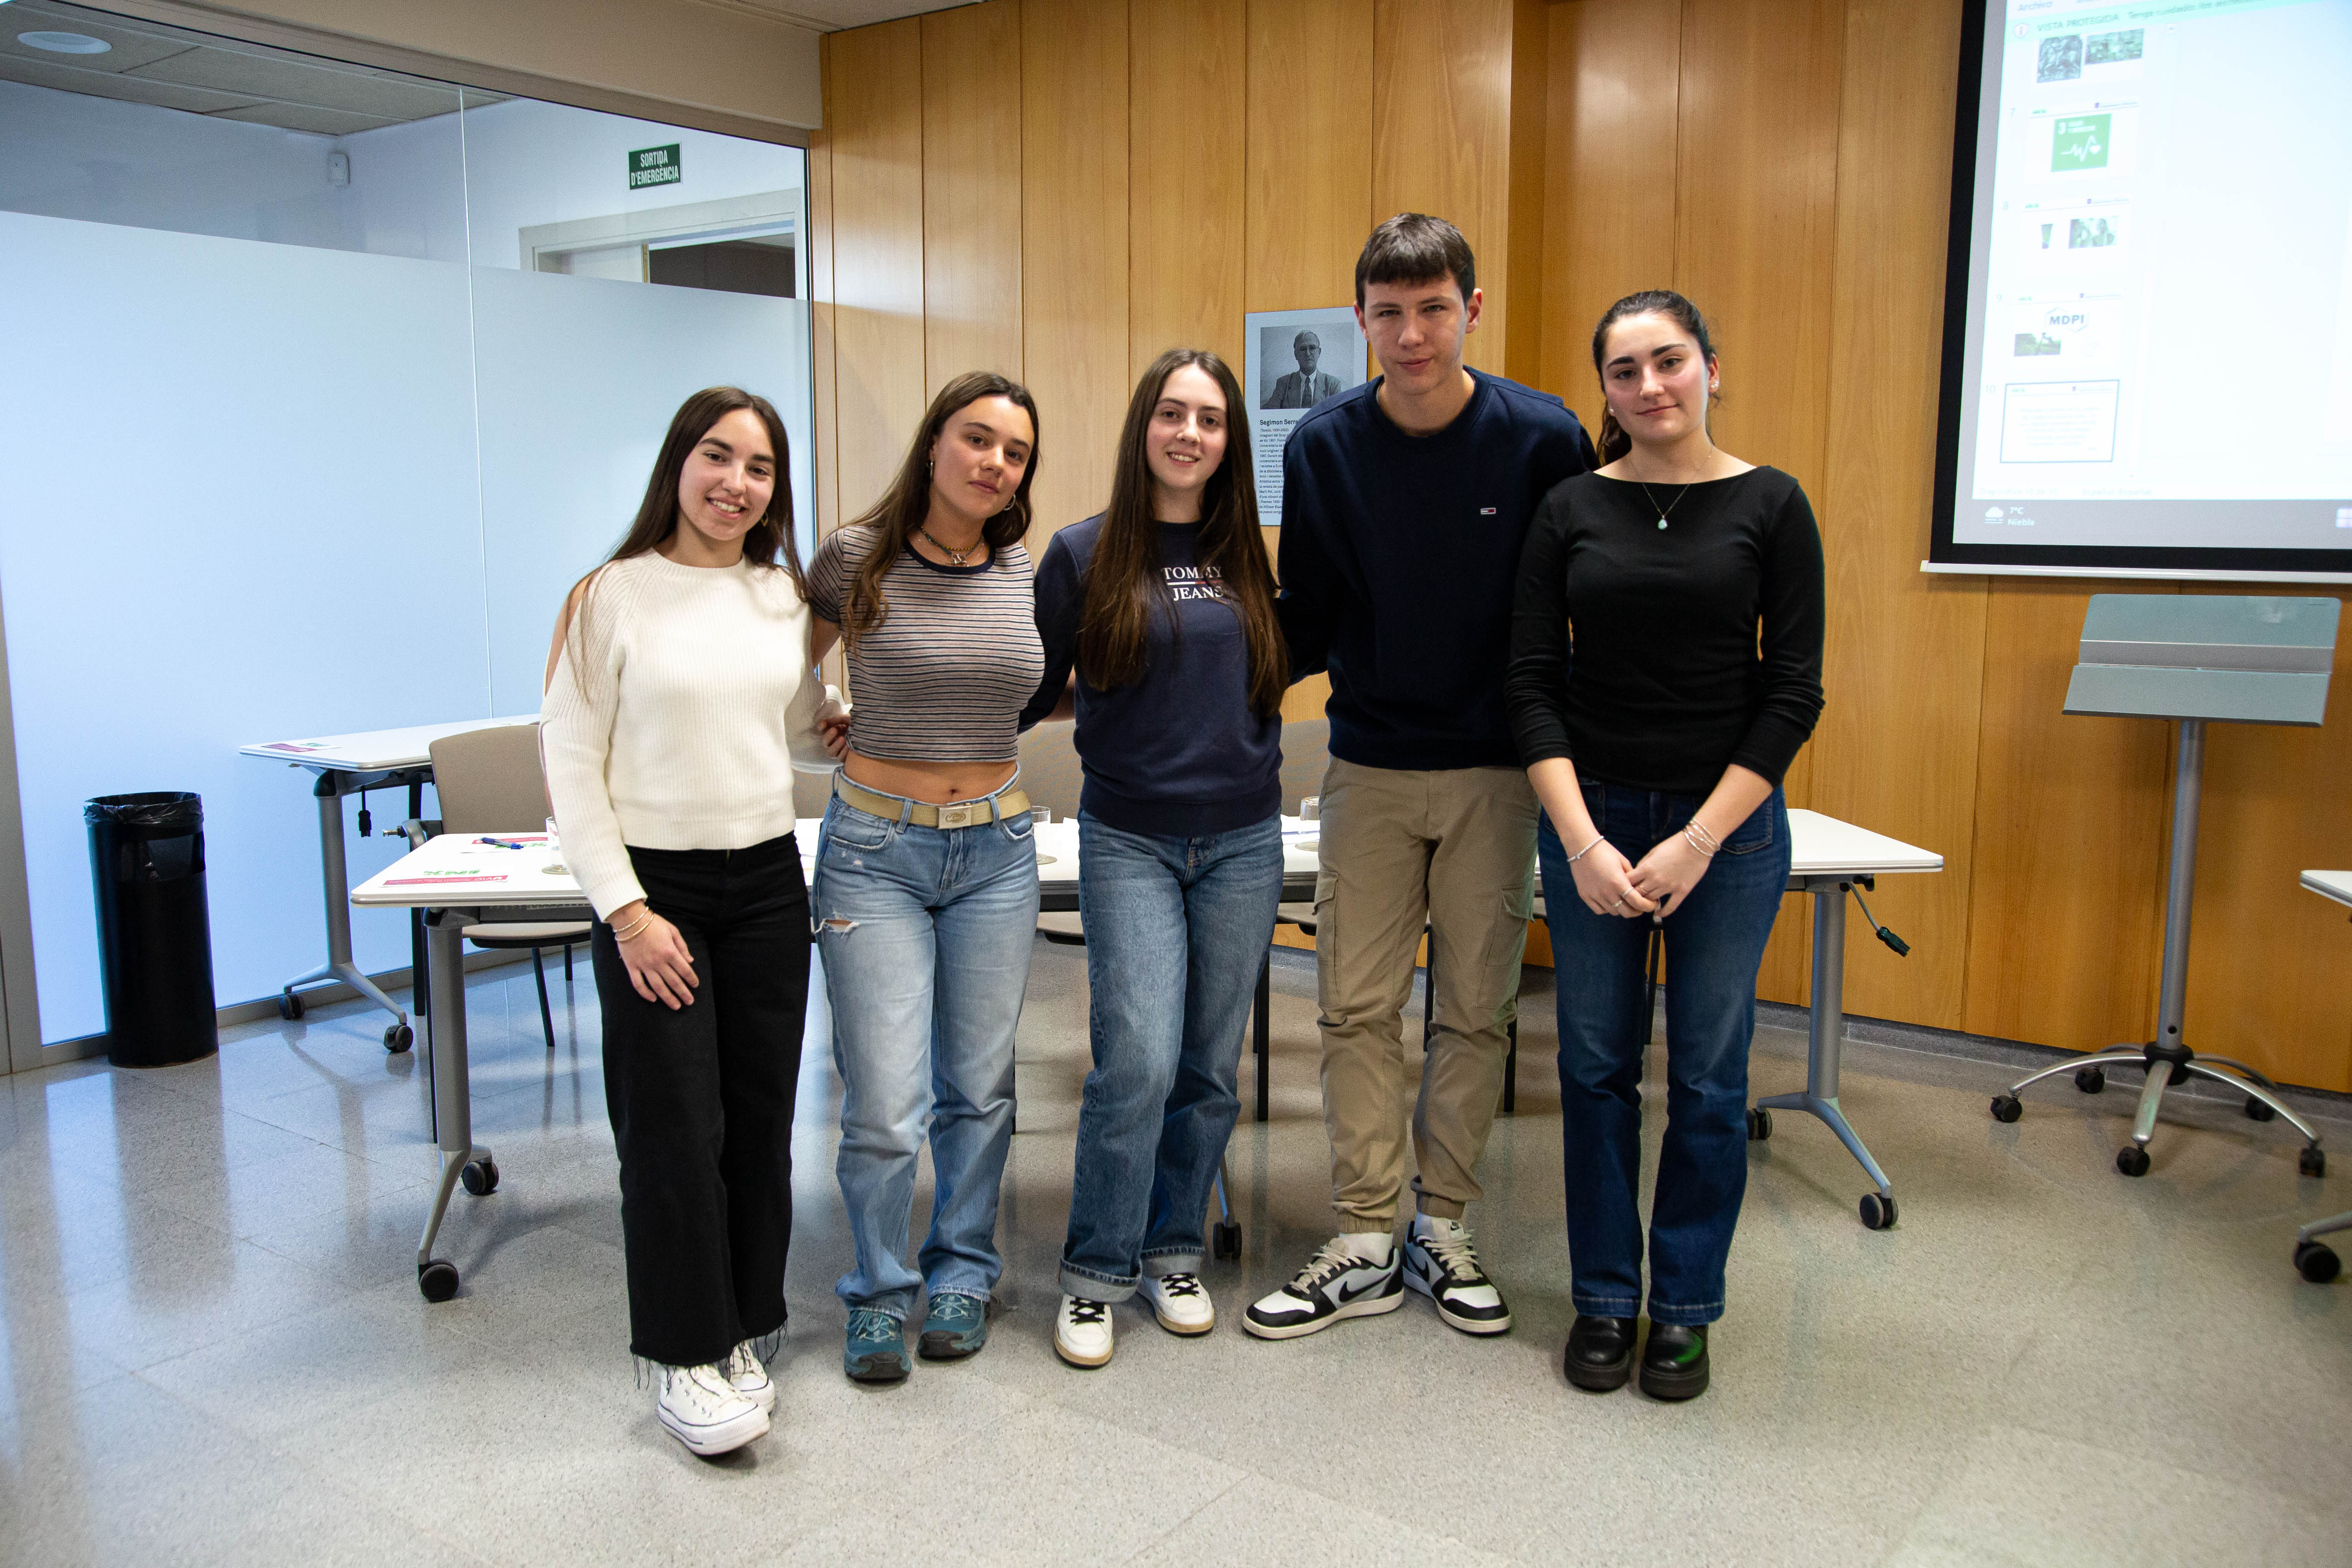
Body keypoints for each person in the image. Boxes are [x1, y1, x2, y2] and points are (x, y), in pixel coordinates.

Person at [1250, 213, 1596, 1342]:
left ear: (1472, 311)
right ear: (1358, 321)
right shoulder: (1322, 447)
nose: (1410, 334)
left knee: (1475, 1010)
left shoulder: (1544, 439)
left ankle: (1440, 1219)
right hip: (1371, 765)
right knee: (1352, 1006)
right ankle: (1362, 1227)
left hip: (1502, 769)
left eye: (1433, 309)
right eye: (1388, 313)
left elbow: (1575, 609)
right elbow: (1307, 613)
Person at [1505, 290, 1824, 1401]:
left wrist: (1694, 840)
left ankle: (1681, 1307)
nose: (1649, 387)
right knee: (1592, 1070)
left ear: (1710, 367)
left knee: (1703, 1076)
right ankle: (1604, 1297)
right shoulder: (1567, 510)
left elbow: (1790, 694)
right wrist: (1583, 841)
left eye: (1668, 361)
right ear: (1602, 389)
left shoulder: (1771, 506)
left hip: (1725, 836)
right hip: (1590, 820)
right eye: (1624, 371)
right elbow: (1530, 686)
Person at [540, 386, 838, 1457]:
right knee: (672, 1130)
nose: (736, 483)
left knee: (759, 1124)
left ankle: (747, 1324)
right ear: (679, 462)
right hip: (652, 892)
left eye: (759, 468)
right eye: (718, 457)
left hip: (763, 880)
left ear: (775, 490)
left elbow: (791, 729)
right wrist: (626, 913)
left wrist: (833, 727)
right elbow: (571, 769)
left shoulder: (783, 595)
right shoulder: (608, 594)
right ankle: (679, 1352)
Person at [1018, 349, 1287, 1369]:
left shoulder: (1245, 555)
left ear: (1229, 440)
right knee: (1133, 1059)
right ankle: (1095, 1272)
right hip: (1127, 835)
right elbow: (1030, 685)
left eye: (1210, 419)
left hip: (1243, 840)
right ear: (1143, 428)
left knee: (1207, 1066)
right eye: (1171, 413)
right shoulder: (1083, 552)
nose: (1189, 433)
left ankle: (1174, 1248)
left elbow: (1264, 677)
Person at [804, 371, 1046, 1386]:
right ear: (934, 443)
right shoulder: (855, 556)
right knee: (886, 1097)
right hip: (873, 848)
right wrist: (825, 687)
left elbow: (1049, 687)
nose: (994, 462)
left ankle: (961, 1270)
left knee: (980, 1087)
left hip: (995, 848)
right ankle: (875, 1288)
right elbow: (786, 652)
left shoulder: (1029, 568)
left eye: (1016, 452)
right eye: (976, 438)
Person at [1267, 329, 1342, 409]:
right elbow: (1267, 413)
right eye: (1303, 349)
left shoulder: (1333, 385)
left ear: (1319, 352)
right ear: (1296, 355)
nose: (1308, 354)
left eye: (1312, 348)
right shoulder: (1283, 384)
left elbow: (1340, 416)